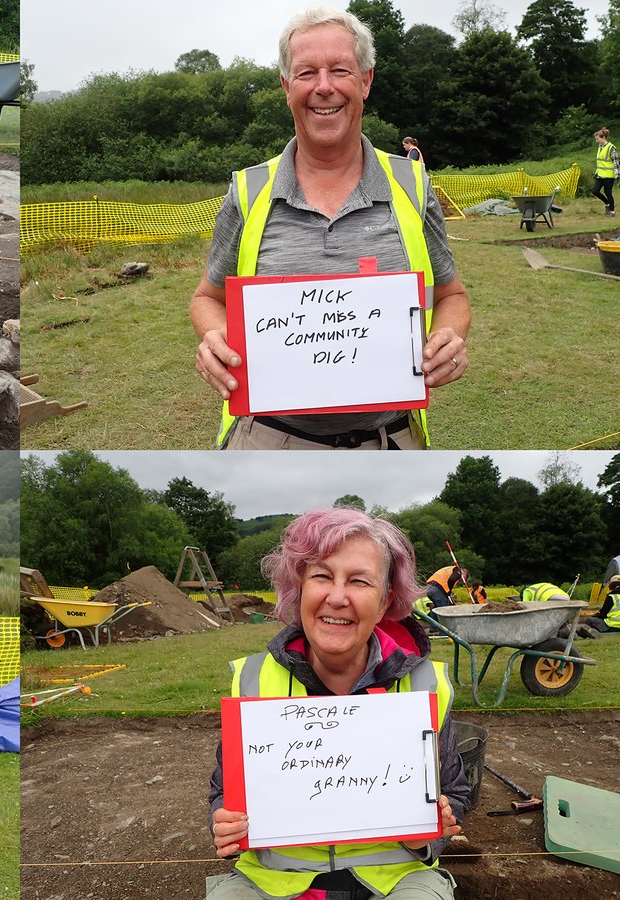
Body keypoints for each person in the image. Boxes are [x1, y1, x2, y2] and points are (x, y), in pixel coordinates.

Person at [192, 7, 470, 450]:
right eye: (306, 73)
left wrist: (450, 337)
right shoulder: (248, 190)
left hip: (391, 441)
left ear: (365, 81)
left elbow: (451, 294)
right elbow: (208, 298)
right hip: (267, 441)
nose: (324, 86)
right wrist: (213, 337)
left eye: (340, 70)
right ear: (286, 87)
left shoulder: (411, 183)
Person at [207, 508, 468, 900]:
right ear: (299, 590)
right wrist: (224, 820)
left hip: (396, 877)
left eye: (360, 581)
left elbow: (456, 792)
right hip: (273, 881)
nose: (338, 597)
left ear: (384, 603)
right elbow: (223, 789)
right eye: (322, 576)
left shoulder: (424, 685)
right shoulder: (253, 680)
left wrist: (431, 832)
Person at [592, 127, 618, 217]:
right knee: (595, 191)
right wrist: (596, 173)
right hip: (600, 175)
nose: (596, 141)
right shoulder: (600, 147)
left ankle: (612, 211)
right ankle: (608, 203)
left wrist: (617, 174)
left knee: (608, 193)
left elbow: (615, 162)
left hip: (609, 176)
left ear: (603, 137)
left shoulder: (611, 148)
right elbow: (600, 162)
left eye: (597, 139)